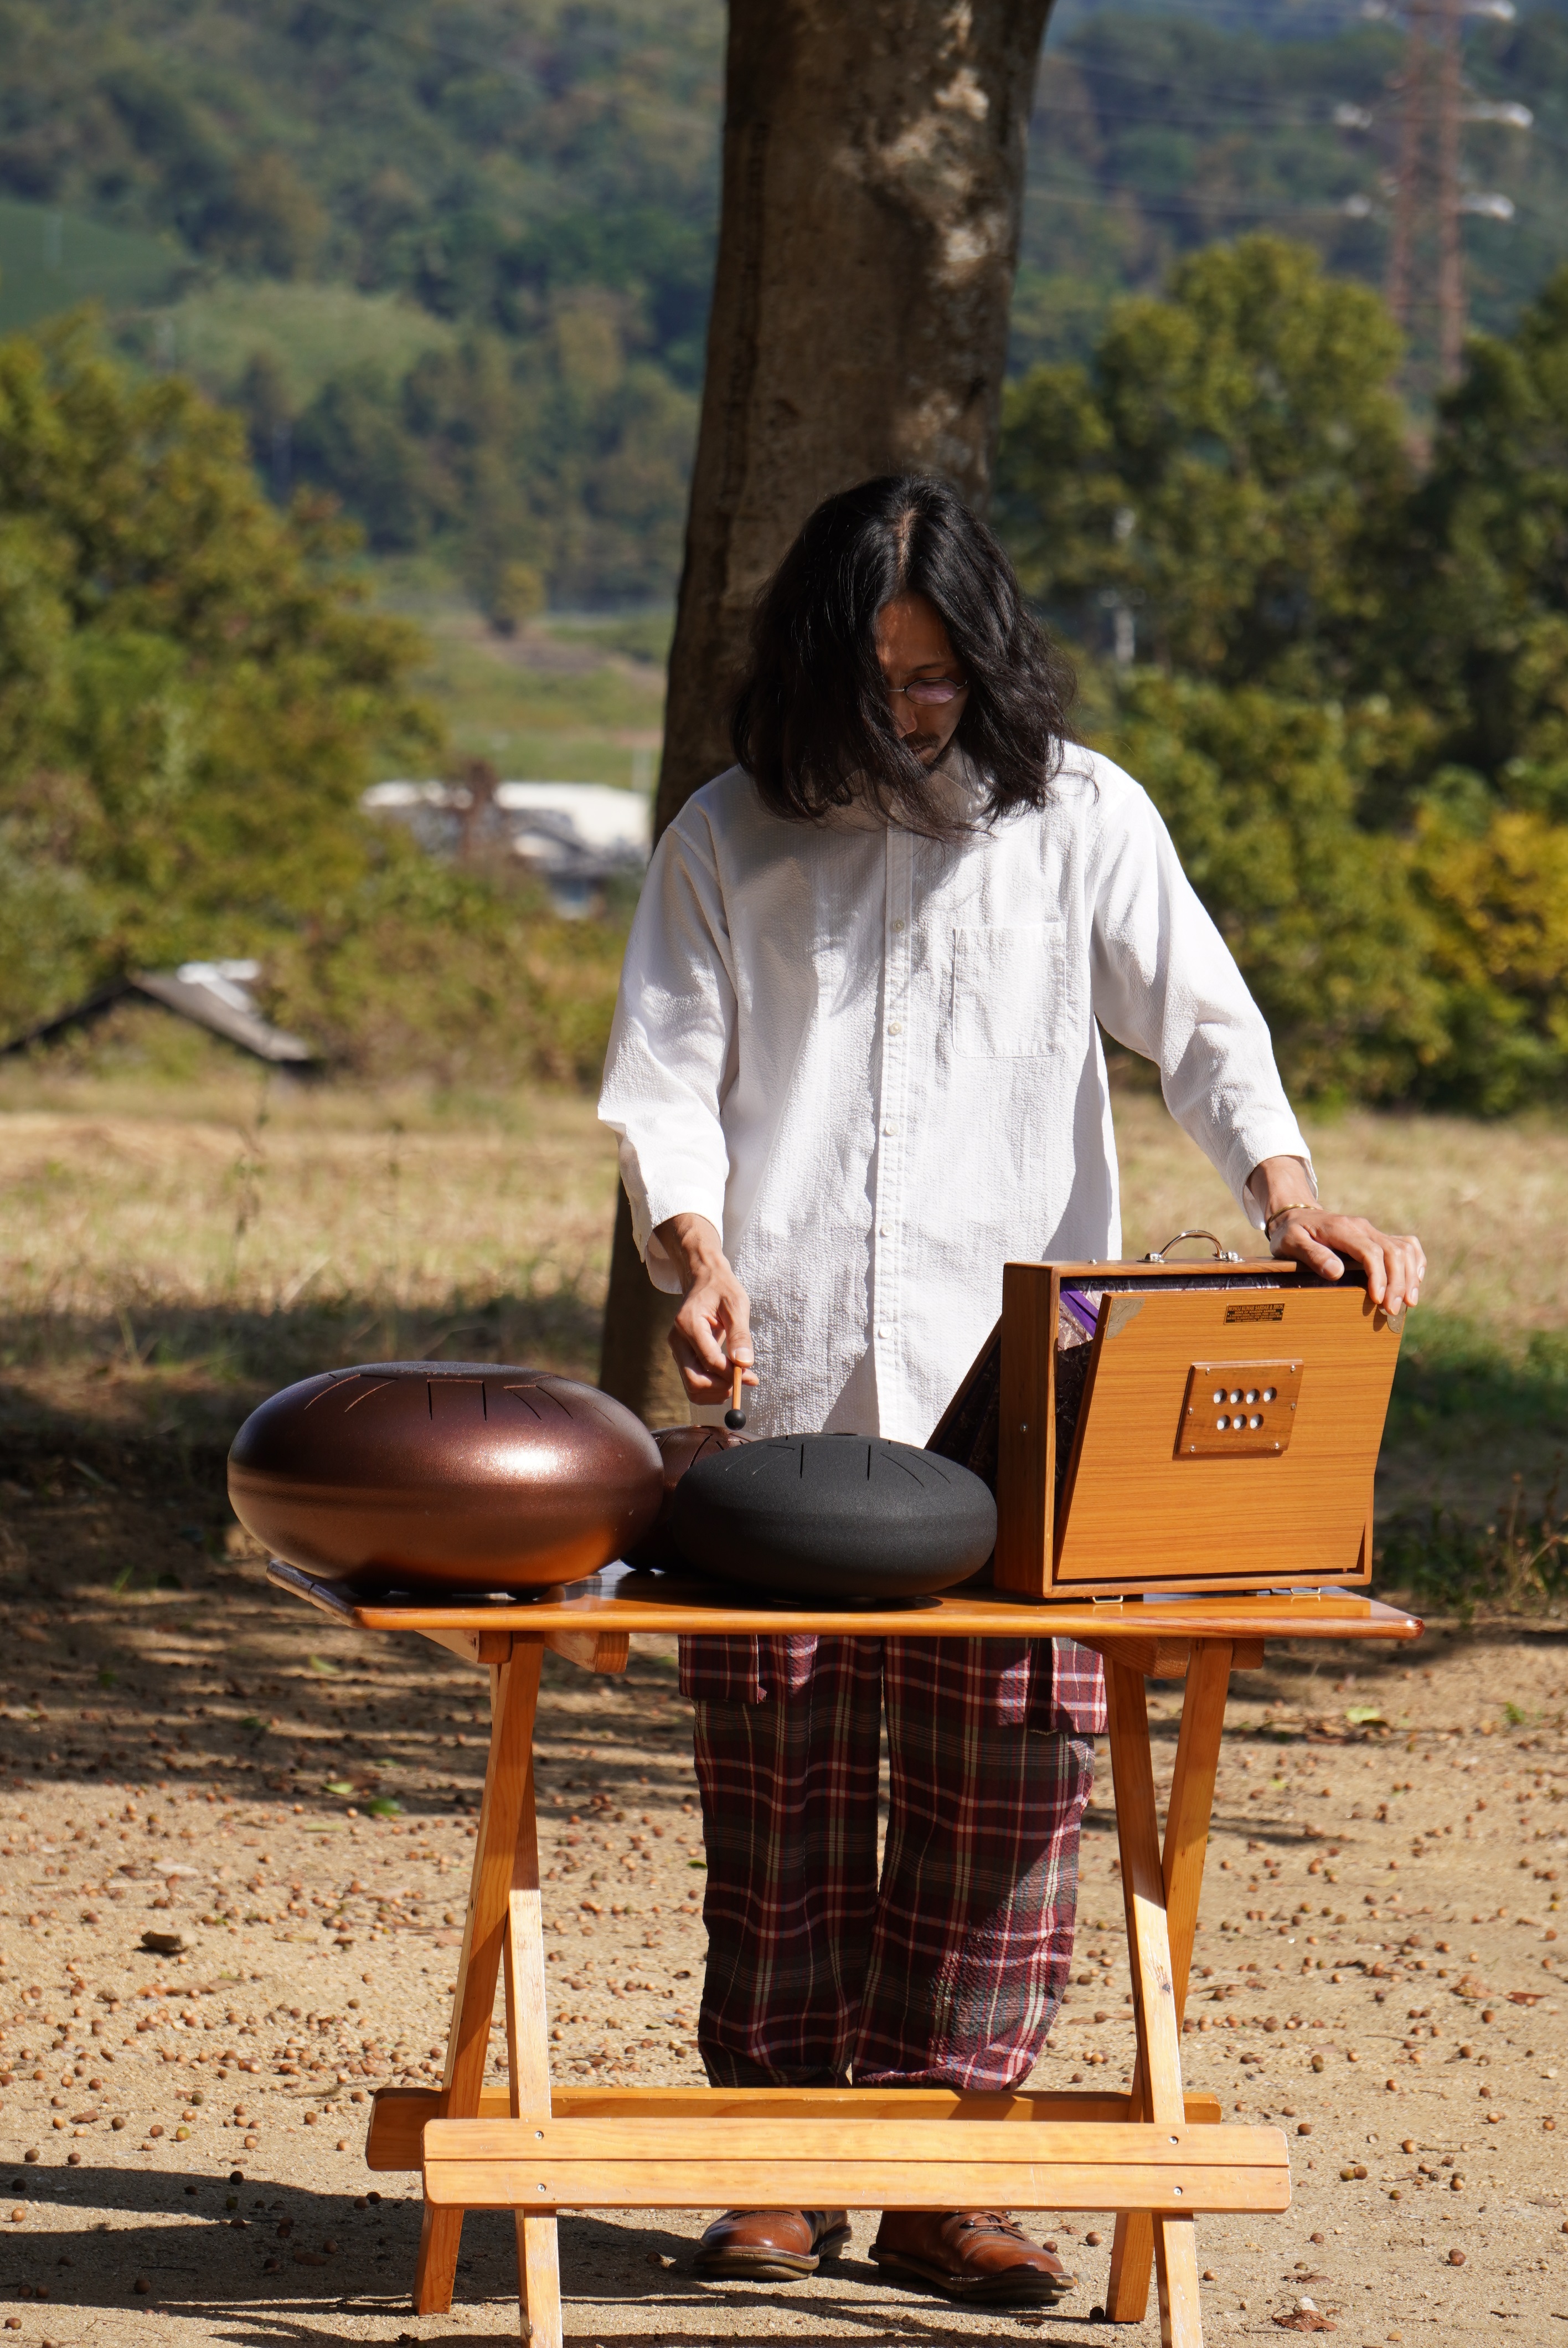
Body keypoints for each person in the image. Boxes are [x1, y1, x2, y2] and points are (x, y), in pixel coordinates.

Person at [598, 474, 1425, 2309]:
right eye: (876, 678)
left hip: (1029, 1398)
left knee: (1008, 1778)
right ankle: (781, 2166)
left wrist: (1288, 1200)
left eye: (936, 676)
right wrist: (695, 1253)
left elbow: (1206, 1030)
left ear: (987, 658)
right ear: (812, 664)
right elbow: (664, 1082)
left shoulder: (1085, 817)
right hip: (796, 1381)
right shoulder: (727, 834)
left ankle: (945, 2175)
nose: (909, 712)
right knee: (784, 1777)